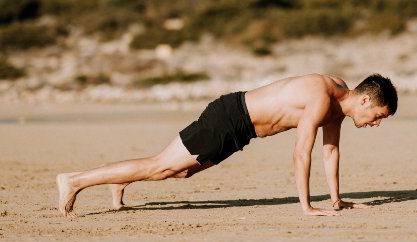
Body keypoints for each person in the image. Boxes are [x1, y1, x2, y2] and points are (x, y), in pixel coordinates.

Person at [57, 73, 398, 217]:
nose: (377, 123)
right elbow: (301, 152)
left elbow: (330, 151)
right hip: (230, 116)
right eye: (379, 115)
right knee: (163, 165)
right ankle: (74, 181)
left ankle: (119, 181)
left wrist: (336, 200)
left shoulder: (338, 105)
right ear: (366, 100)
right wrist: (306, 207)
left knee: (179, 173)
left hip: (242, 129)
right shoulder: (322, 97)